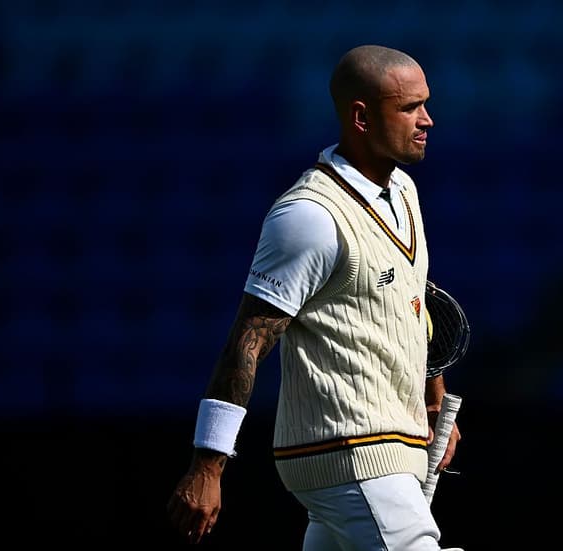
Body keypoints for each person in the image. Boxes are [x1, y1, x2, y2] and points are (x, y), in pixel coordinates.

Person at [166, 44, 463, 550]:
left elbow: (413, 306)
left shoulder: (405, 192)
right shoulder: (309, 216)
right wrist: (207, 465)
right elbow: (247, 342)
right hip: (351, 450)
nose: (427, 120)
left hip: (386, 446)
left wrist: (433, 398)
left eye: (426, 104)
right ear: (361, 117)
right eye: (410, 107)